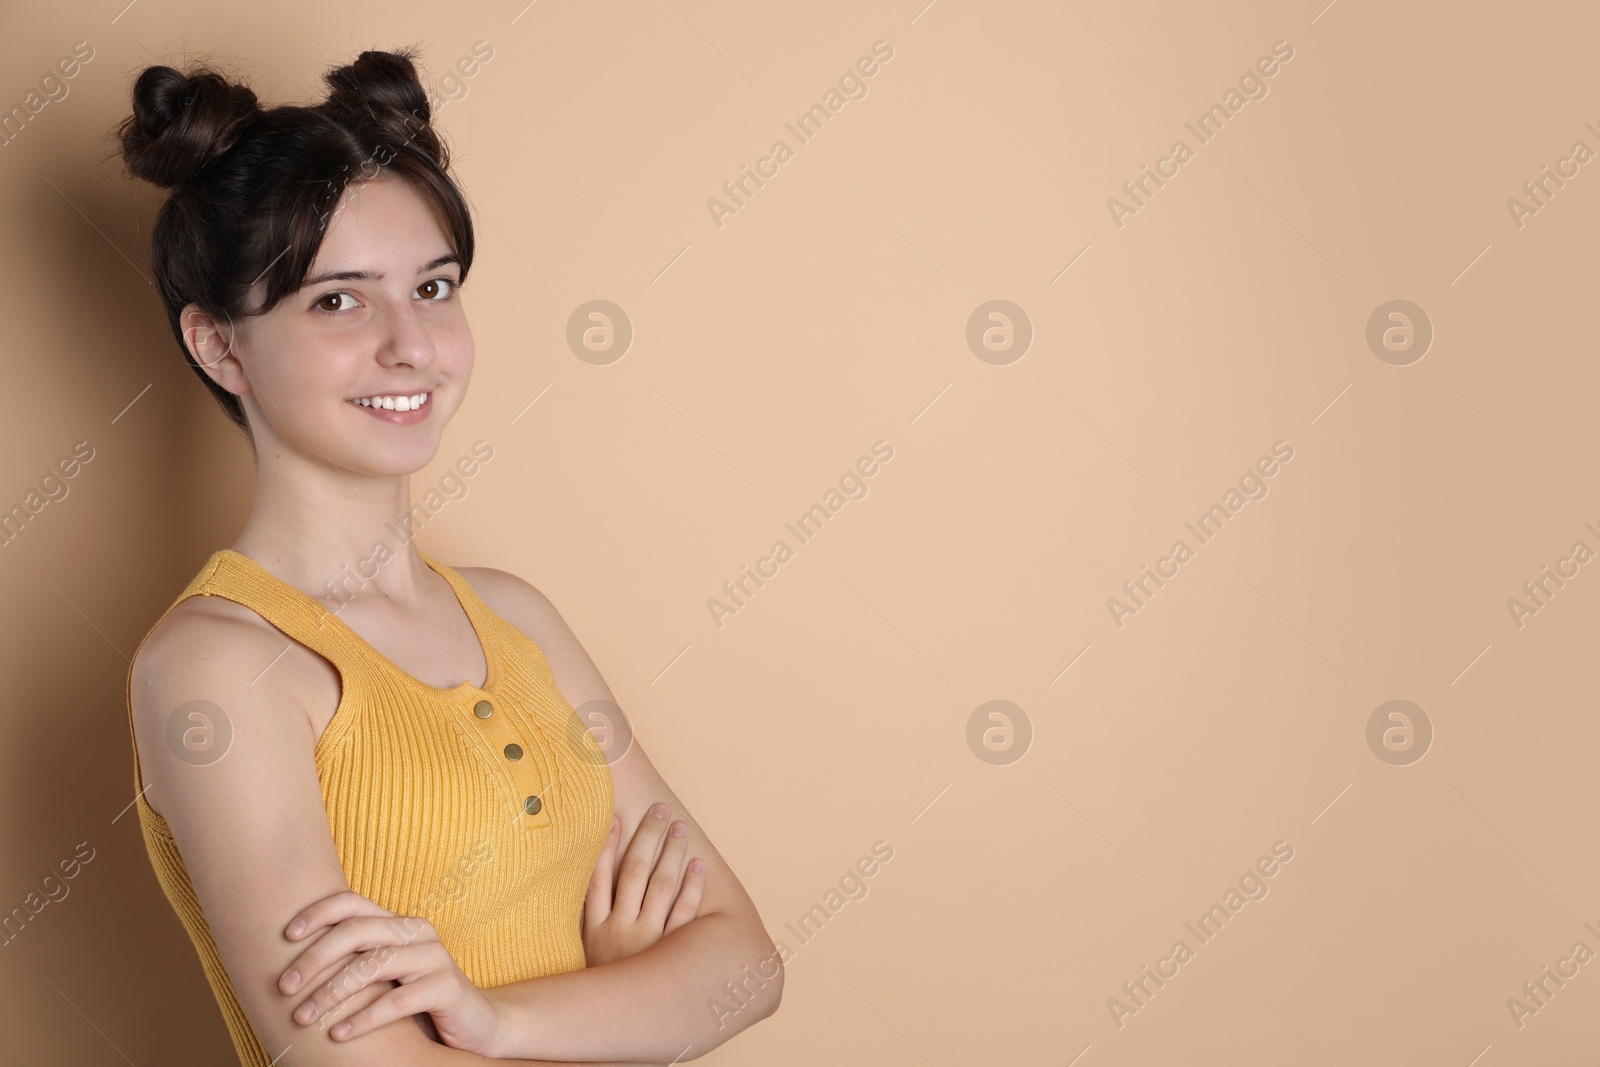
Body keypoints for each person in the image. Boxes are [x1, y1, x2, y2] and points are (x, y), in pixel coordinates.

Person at [116, 46, 782, 1066]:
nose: (412, 344)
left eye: (433, 286)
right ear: (217, 345)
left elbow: (748, 968)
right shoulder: (215, 668)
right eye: (338, 299)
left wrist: (500, 1019)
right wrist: (621, 1006)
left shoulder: (518, 617)